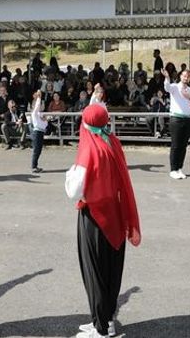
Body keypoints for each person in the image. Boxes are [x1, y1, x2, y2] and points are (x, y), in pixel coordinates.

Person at [65, 104, 141, 338]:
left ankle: (101, 329)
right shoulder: (111, 140)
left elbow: (73, 191)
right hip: (115, 213)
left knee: (95, 272)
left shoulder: (89, 148)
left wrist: (68, 173)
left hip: (95, 216)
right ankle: (105, 320)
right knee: (110, 270)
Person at [162, 68, 190, 179]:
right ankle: (173, 169)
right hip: (176, 118)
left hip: (187, 118)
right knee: (176, 145)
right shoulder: (175, 87)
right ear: (181, 76)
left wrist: (189, 97)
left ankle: (180, 168)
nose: (186, 78)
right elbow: (167, 87)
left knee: (183, 146)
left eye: (188, 76)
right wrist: (167, 77)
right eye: (184, 76)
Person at [30, 91, 47, 173]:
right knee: (36, 150)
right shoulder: (34, 113)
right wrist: (39, 97)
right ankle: (33, 166)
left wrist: (45, 120)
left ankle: (35, 165)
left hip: (41, 132)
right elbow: (37, 106)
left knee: (39, 150)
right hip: (37, 132)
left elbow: (45, 124)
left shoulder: (40, 114)